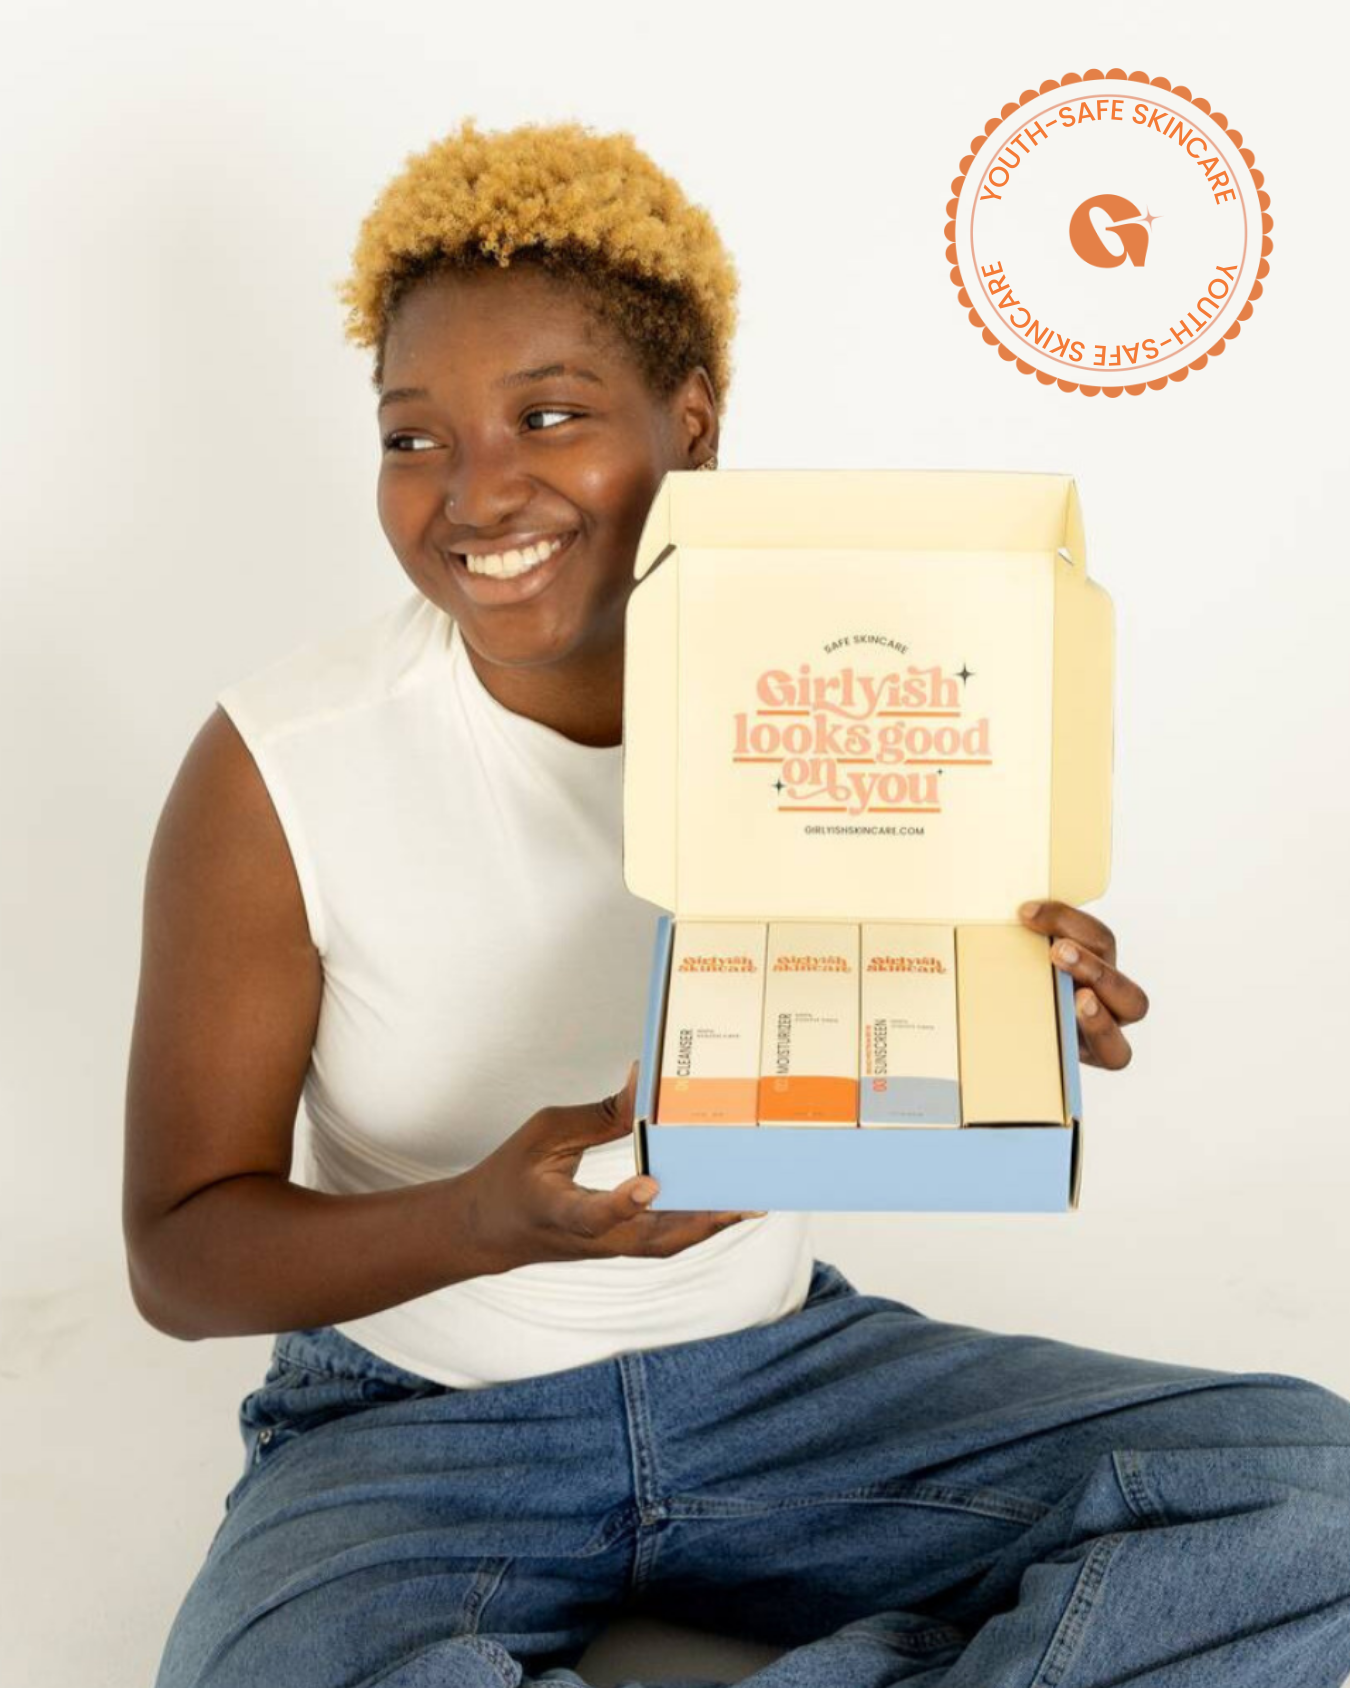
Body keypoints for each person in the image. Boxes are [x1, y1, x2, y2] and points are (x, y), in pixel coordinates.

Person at [125, 117, 1350, 1688]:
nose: (471, 495)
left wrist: (1005, 1002)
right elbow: (179, 1256)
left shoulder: (852, 700)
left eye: (548, 416)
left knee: (1309, 1492)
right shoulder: (278, 764)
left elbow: (883, 1023)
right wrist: (482, 1221)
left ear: (689, 425)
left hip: (782, 1375)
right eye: (412, 435)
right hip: (421, 1428)